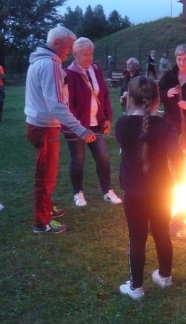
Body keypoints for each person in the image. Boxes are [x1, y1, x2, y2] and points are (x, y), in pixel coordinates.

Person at [115, 76, 185, 300]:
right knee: (162, 233)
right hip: (162, 191)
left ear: (130, 99)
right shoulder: (165, 126)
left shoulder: (121, 125)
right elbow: (178, 159)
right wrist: (181, 181)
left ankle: (135, 287)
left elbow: (133, 125)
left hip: (134, 192)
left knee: (137, 238)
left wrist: (128, 106)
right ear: (157, 99)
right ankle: (164, 276)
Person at [24, 26, 96, 234]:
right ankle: (41, 222)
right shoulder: (50, 65)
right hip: (44, 126)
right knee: (45, 175)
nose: (69, 51)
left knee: (49, 172)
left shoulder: (42, 62)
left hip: (39, 124)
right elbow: (56, 104)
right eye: (68, 47)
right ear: (57, 44)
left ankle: (47, 208)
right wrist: (80, 129)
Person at [64, 37, 122, 207]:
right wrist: (80, 129)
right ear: (75, 54)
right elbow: (68, 105)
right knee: (78, 159)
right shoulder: (69, 74)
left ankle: (107, 191)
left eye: (91, 54)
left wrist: (108, 118)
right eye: (85, 54)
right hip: (76, 126)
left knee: (103, 156)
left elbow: (103, 95)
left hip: (96, 123)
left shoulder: (95, 70)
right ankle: (78, 193)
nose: (89, 58)